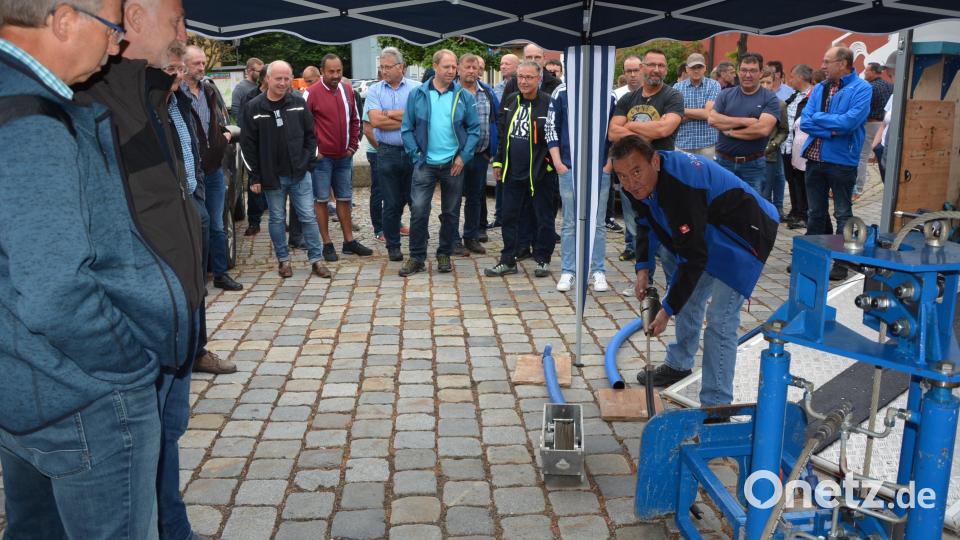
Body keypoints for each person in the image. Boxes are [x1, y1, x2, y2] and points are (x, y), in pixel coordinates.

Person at [0, 1, 178, 537]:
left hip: (25, 379)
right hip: (82, 392)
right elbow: (55, 291)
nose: (117, 43)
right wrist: (128, 364)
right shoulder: (33, 120)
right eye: (111, 27)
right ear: (63, 20)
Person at [72, 0, 208, 537]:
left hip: (174, 317)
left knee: (165, 440)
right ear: (133, 20)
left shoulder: (150, 95)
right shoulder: (88, 101)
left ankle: (174, 527)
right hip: (135, 328)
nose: (185, 32)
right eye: (176, 20)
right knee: (136, 459)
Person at [610, 136, 778, 407]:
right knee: (687, 299)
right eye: (623, 176)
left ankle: (716, 405)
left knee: (720, 320)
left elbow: (693, 258)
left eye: (636, 171)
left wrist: (667, 310)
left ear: (655, 161)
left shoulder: (681, 186)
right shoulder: (640, 184)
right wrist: (643, 269)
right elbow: (645, 222)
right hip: (708, 231)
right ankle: (679, 364)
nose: (630, 182)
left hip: (744, 236)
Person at [242, 60, 332, 280]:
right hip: (272, 176)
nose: (283, 83)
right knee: (276, 219)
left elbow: (311, 135)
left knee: (308, 217)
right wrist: (255, 176)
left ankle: (316, 260)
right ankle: (283, 261)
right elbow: (247, 145)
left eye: (286, 78)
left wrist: (308, 163)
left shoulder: (299, 103)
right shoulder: (254, 107)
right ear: (267, 79)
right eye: (278, 78)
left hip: (300, 174)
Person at [399, 49, 480, 276]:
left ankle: (444, 252)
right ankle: (416, 257)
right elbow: (406, 128)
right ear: (435, 67)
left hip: (453, 164)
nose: (451, 71)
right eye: (447, 67)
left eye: (454, 67)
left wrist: (463, 157)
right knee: (419, 211)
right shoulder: (418, 94)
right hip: (425, 163)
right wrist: (416, 154)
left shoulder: (463, 96)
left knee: (451, 213)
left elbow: (475, 130)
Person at [607, 48, 684, 275]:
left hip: (662, 173)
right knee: (639, 227)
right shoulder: (628, 98)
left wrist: (630, 126)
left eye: (661, 66)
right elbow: (612, 132)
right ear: (642, 68)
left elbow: (664, 129)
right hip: (631, 174)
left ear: (666, 70)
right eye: (651, 65)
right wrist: (647, 133)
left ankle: (672, 283)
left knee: (667, 230)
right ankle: (644, 278)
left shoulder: (672, 97)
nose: (656, 70)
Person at [800, 45, 872, 281]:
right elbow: (805, 122)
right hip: (815, 158)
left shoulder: (862, 88)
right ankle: (811, 260)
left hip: (842, 161)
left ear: (842, 64)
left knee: (842, 213)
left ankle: (841, 263)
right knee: (815, 213)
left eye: (826, 62)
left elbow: (849, 123)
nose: (822, 66)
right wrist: (830, 129)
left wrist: (820, 120)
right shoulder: (820, 87)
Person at [486, 59, 558, 278]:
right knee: (509, 217)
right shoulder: (511, 100)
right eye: (521, 77)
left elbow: (556, 136)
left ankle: (543, 259)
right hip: (512, 171)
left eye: (529, 77)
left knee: (543, 218)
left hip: (540, 174)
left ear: (539, 79)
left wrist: (548, 164)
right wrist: (498, 162)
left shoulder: (549, 103)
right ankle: (508, 259)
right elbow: (502, 133)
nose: (524, 82)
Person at [182, 45, 243, 292]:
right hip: (190, 171)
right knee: (197, 225)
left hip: (214, 168)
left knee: (217, 225)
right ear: (183, 65)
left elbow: (213, 125)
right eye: (196, 63)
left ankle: (220, 274)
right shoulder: (176, 95)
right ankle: (198, 279)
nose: (202, 67)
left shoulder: (208, 91)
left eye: (203, 62)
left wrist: (222, 138)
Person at [547, 80, 615, 292]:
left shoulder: (608, 93)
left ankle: (598, 271)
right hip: (569, 166)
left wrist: (608, 165)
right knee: (569, 222)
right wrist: (558, 163)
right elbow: (551, 128)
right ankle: (569, 270)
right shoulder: (562, 91)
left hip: (599, 168)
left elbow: (616, 132)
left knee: (598, 223)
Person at [306, 53, 373, 262]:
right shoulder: (310, 93)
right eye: (331, 72)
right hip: (322, 159)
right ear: (322, 71)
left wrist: (353, 146)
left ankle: (349, 241)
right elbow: (303, 126)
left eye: (339, 71)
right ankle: (327, 244)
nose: (335, 75)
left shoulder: (347, 90)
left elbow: (355, 119)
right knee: (321, 200)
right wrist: (315, 151)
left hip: (344, 156)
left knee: (345, 198)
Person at [365, 47, 418, 262]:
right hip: (387, 151)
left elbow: (420, 118)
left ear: (401, 67)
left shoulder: (416, 89)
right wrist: (407, 119)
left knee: (416, 201)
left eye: (388, 67)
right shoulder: (375, 90)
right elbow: (375, 121)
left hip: (413, 152)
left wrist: (390, 114)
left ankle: (418, 243)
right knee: (391, 202)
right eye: (382, 67)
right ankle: (393, 245)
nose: (384, 71)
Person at [708, 52, 780, 193]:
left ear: (760, 73)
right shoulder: (725, 94)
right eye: (744, 70)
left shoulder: (769, 98)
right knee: (722, 202)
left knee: (752, 204)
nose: (747, 75)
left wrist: (730, 132)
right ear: (738, 72)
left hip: (753, 166)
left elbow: (762, 129)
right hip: (724, 163)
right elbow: (713, 119)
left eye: (753, 71)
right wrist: (747, 121)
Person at [454, 53, 500, 255]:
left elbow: (497, 120)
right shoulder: (451, 92)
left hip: (481, 155)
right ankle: (453, 239)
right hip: (456, 158)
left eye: (475, 68)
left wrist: (491, 151)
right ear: (458, 69)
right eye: (467, 67)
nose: (471, 71)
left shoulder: (487, 92)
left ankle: (471, 236)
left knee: (475, 198)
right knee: (453, 199)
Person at [782, 64, 813, 229]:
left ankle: (804, 214)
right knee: (792, 180)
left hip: (802, 146)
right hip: (787, 145)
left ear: (801, 77)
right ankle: (796, 211)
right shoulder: (795, 95)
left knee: (802, 181)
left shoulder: (812, 96)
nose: (790, 80)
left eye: (792, 76)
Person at [673, 52, 721, 158]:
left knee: (707, 170)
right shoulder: (677, 87)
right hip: (683, 144)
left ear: (705, 68)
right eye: (692, 67)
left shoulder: (714, 85)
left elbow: (708, 114)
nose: (696, 70)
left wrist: (682, 110)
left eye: (699, 67)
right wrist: (701, 112)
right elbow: (674, 117)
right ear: (687, 69)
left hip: (707, 144)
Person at [856, 61, 892, 198]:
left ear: (873, 72)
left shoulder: (870, 87)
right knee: (883, 156)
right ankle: (888, 186)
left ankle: (858, 188)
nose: (865, 72)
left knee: (862, 156)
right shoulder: (889, 85)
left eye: (867, 70)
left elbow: (864, 108)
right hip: (884, 125)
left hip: (871, 125)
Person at [759, 67, 790, 218]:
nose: (765, 86)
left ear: (773, 83)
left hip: (769, 152)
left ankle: (771, 214)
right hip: (751, 151)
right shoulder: (750, 102)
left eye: (768, 82)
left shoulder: (780, 104)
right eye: (762, 82)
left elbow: (784, 130)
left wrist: (773, 144)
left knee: (768, 186)